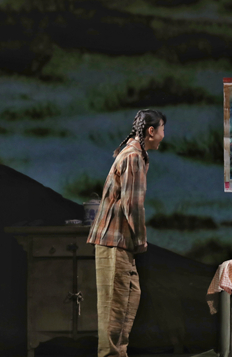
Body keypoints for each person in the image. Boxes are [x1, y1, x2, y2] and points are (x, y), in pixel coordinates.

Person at [87, 109, 166, 357]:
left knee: (128, 300)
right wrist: (141, 241)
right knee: (114, 309)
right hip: (115, 240)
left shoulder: (135, 154)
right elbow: (133, 205)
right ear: (151, 131)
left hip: (120, 241)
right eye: (162, 129)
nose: (164, 135)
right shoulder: (133, 157)